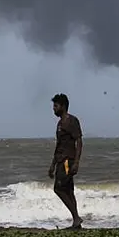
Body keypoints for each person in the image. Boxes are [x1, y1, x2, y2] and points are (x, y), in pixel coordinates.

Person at [48, 93, 83, 229]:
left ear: (63, 106)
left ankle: (76, 217)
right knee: (68, 190)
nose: (53, 109)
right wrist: (52, 164)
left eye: (55, 106)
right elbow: (59, 145)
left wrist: (76, 162)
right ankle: (76, 222)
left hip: (68, 161)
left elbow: (79, 141)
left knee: (59, 189)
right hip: (60, 161)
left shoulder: (71, 121)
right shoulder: (59, 124)